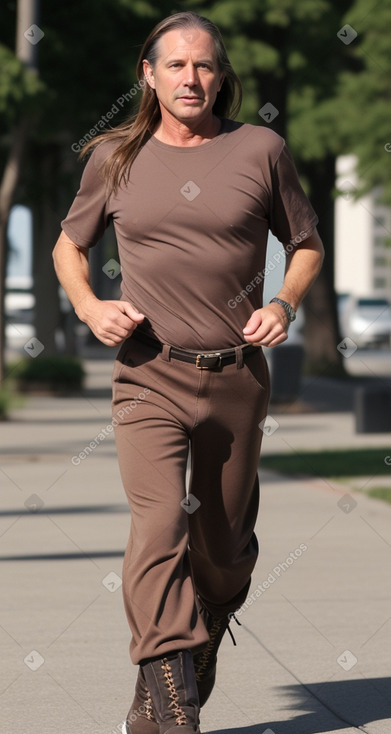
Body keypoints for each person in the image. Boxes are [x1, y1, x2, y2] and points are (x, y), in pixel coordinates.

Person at [53, 11, 324, 734]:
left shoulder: (259, 149)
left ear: (221, 74)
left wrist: (283, 302)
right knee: (160, 523)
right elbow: (67, 248)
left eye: (203, 66)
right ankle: (170, 705)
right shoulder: (114, 156)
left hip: (237, 377)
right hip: (148, 373)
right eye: (174, 65)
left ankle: (208, 615)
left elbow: (304, 244)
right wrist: (88, 307)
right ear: (148, 74)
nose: (190, 78)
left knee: (224, 548)